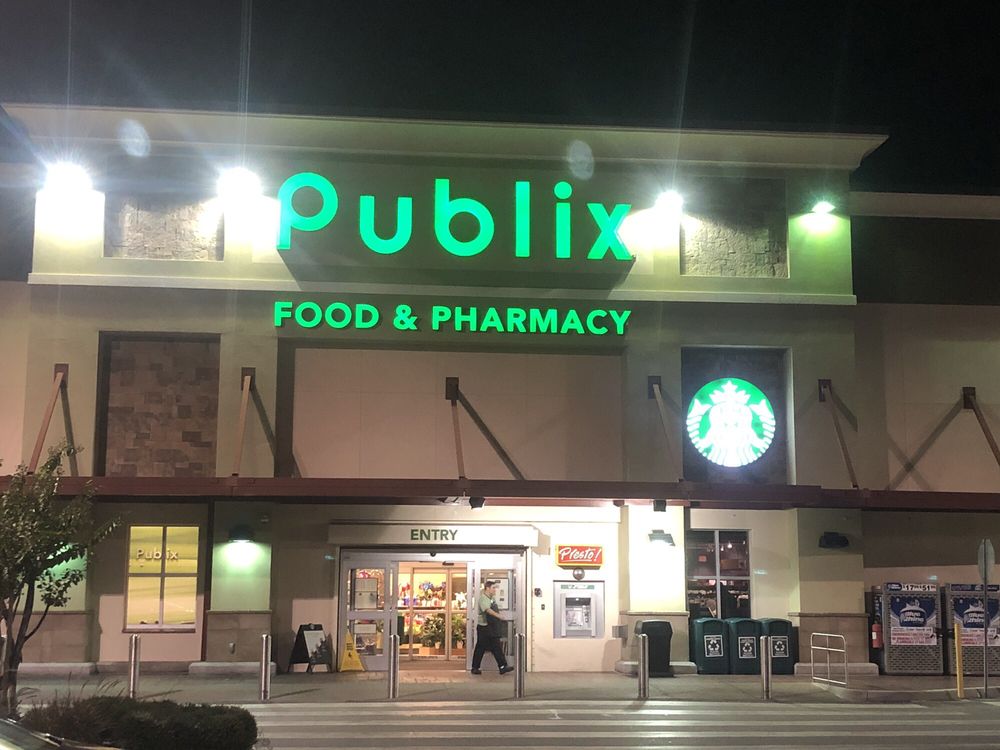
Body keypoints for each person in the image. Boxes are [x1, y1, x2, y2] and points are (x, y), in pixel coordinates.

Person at [471, 580, 514, 675]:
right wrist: (499, 616)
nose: (495, 590)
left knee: (496, 646)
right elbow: (488, 610)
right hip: (484, 627)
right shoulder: (483, 599)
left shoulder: (492, 598)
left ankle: (502, 666)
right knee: (480, 647)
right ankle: (475, 668)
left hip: (491, 627)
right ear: (487, 588)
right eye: (493, 588)